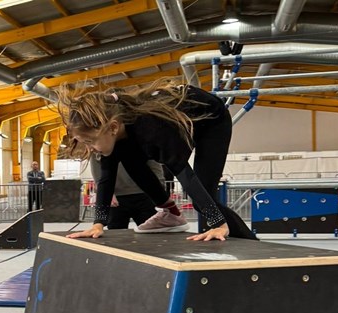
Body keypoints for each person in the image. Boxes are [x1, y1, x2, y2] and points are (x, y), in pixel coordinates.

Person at [59, 77, 256, 242]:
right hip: (181, 123)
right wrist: (98, 223)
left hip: (212, 120)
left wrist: (218, 223)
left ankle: (249, 243)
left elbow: (183, 172)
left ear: (113, 128)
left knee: (204, 195)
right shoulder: (118, 135)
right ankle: (170, 213)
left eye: (90, 141)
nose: (89, 148)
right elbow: (106, 178)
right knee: (131, 162)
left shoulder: (151, 130)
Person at [90, 155, 161, 230]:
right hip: (116, 198)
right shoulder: (97, 149)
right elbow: (99, 177)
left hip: (145, 194)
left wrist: (159, 191)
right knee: (116, 234)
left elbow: (155, 166)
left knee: (152, 232)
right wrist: (98, 222)